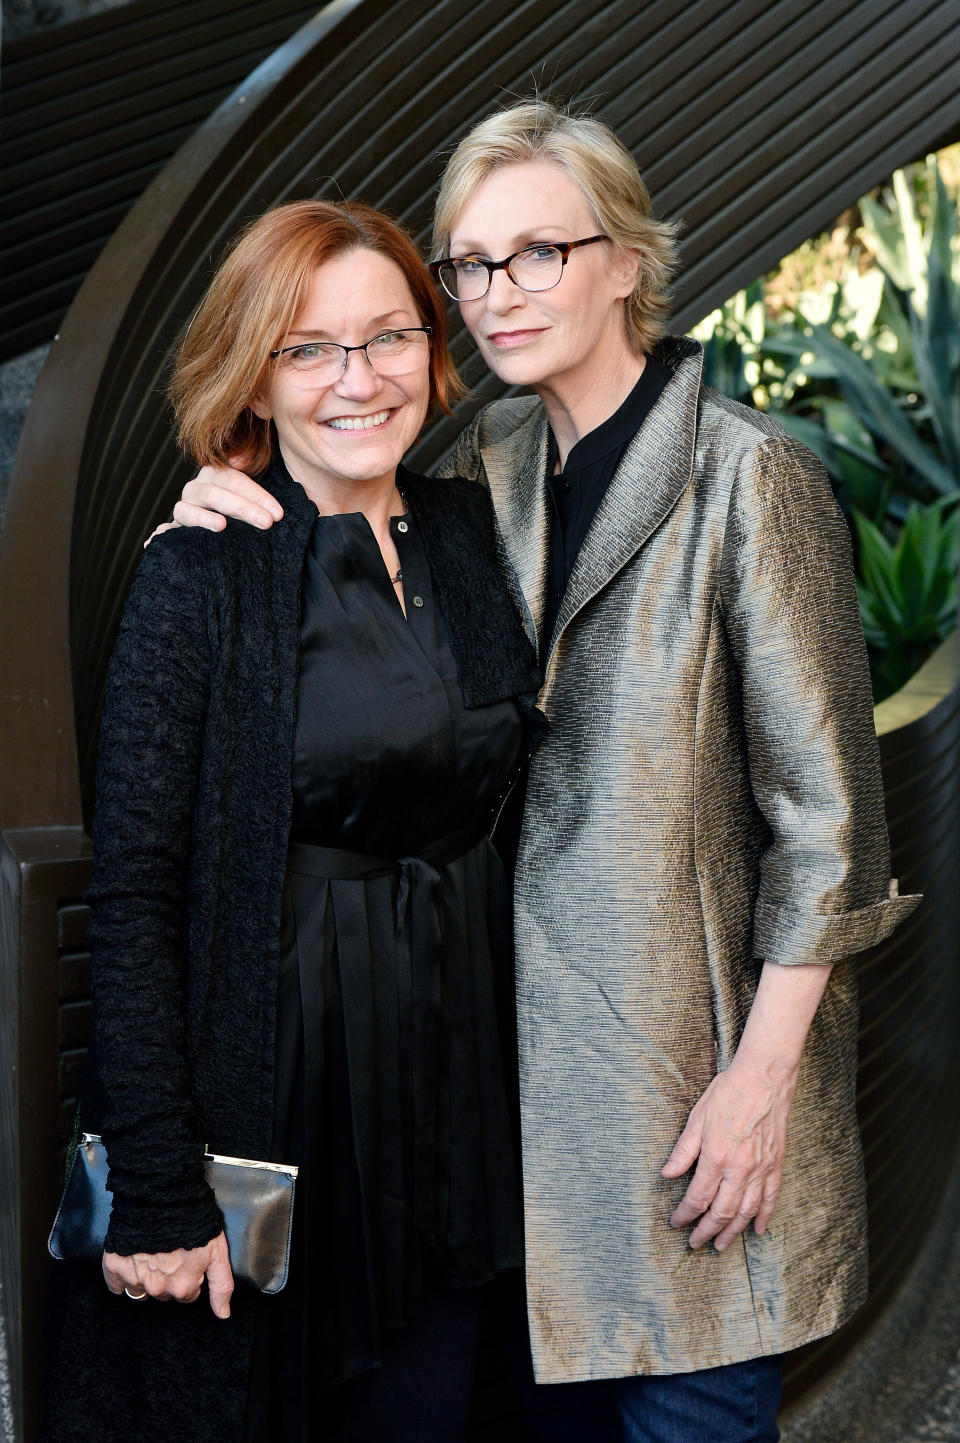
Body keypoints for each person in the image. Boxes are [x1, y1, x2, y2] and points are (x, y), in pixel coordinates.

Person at [159, 100, 921, 1442]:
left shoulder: (753, 481)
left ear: (627, 259)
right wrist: (223, 498)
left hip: (697, 1111)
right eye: (469, 264)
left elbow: (830, 824)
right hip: (513, 1134)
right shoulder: (476, 472)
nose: (496, 294)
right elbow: (339, 551)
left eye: (539, 254)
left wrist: (760, 1090)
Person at [41, 199, 546, 1443]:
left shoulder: (474, 534)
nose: (358, 380)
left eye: (388, 339)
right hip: (278, 1093)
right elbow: (142, 897)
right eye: (308, 349)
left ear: (435, 350)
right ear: (253, 379)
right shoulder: (200, 572)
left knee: (433, 1410)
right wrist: (156, 1185)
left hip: (454, 1079)